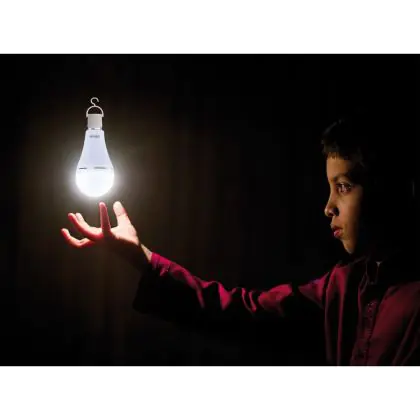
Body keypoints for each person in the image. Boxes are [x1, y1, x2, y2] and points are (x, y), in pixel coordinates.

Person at [61, 112, 419, 365]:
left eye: (343, 186)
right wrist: (142, 258)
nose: (328, 208)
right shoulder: (343, 287)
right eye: (330, 188)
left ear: (390, 188)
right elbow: (244, 312)